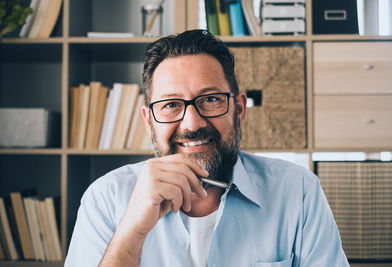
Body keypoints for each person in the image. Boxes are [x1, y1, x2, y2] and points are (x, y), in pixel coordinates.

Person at [65, 29, 349, 267]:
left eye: (210, 99)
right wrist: (131, 233)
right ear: (149, 121)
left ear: (239, 109)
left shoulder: (299, 192)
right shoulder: (105, 199)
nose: (192, 123)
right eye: (171, 105)